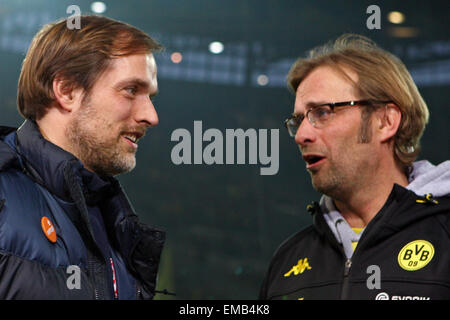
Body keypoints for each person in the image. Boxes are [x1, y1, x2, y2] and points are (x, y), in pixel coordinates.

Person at [259, 34, 450, 300]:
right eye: (298, 120)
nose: (302, 135)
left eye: (322, 112)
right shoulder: (287, 258)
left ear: (385, 120)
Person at [0, 15, 165, 299]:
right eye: (131, 90)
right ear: (67, 90)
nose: (151, 116)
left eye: (149, 96)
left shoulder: (116, 231)